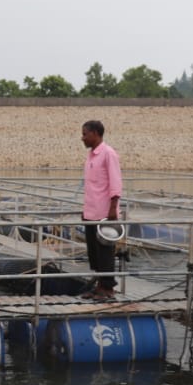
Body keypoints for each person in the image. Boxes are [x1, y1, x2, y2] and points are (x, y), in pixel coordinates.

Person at [80, 120, 123, 300]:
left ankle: (108, 288)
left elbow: (115, 182)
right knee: (94, 253)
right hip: (91, 211)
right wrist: (85, 210)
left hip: (105, 213)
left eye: (85, 134)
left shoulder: (108, 154)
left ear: (96, 133)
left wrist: (113, 208)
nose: (82, 138)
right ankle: (99, 286)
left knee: (105, 252)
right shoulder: (91, 155)